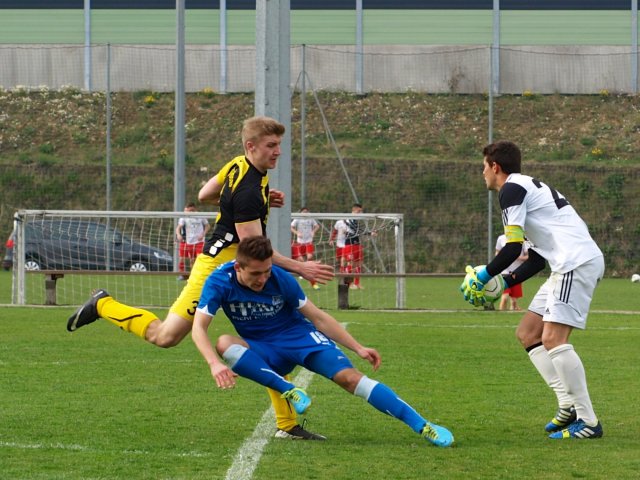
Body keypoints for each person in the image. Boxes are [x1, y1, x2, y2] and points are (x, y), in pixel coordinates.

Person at [67, 116, 334, 440]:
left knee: (272, 333)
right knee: (165, 336)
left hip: (236, 264)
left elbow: (205, 192)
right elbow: (254, 249)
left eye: (279, 144)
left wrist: (263, 200)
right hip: (221, 268)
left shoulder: (238, 165)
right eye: (271, 145)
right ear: (251, 146)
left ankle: (288, 424)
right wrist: (301, 267)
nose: (278, 151)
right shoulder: (249, 190)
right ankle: (103, 305)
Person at [192, 235, 454, 448]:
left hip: (299, 337)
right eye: (256, 273)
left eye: (267, 271)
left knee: (351, 379)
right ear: (238, 267)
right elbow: (198, 328)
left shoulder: (280, 278)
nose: (263, 279)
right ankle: (288, 389)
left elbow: (317, 317)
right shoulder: (219, 282)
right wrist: (214, 363)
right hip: (263, 348)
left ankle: (424, 426)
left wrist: (358, 347)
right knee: (224, 343)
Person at [461, 140, 605, 440]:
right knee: (528, 333)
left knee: (553, 339)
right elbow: (537, 257)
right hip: (565, 263)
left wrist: (484, 276)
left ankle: (588, 420)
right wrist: (504, 282)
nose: (482, 173)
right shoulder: (523, 187)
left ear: (495, 167)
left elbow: (513, 247)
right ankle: (567, 404)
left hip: (575, 262)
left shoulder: (511, 190)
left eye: (483, 167)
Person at [494, 233, 529, 311]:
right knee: (505, 298)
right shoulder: (501, 238)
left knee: (513, 302)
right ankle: (500, 315)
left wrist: (519, 257)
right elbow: (497, 253)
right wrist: (501, 259)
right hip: (504, 273)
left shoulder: (522, 239)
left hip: (516, 273)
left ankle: (510, 315)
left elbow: (528, 256)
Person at [176, 202, 210, 280]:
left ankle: (200, 274)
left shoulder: (200, 216)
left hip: (199, 241)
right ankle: (188, 275)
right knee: (191, 260)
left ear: (195, 209)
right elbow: (178, 228)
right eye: (188, 211)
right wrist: (178, 235)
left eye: (192, 210)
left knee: (199, 258)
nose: (190, 212)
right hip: (189, 241)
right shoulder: (184, 217)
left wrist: (203, 234)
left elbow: (207, 226)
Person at [290, 207, 320, 290]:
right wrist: (297, 233)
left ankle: (313, 283)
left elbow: (317, 226)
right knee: (301, 260)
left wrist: (313, 231)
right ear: (301, 212)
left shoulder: (310, 218)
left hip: (309, 241)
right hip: (300, 242)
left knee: (309, 257)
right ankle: (302, 273)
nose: (305, 213)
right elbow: (291, 227)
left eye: (307, 211)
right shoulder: (297, 218)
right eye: (304, 211)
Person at [343, 203, 370, 290]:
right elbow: (356, 229)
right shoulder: (348, 218)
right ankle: (349, 283)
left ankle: (357, 283)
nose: (360, 213)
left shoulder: (356, 219)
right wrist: (369, 233)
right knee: (350, 263)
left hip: (357, 243)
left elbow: (358, 230)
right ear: (354, 209)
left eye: (361, 211)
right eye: (359, 211)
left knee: (359, 263)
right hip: (349, 243)